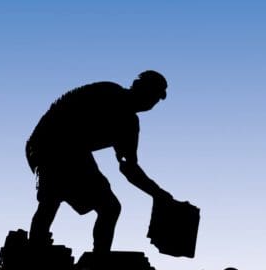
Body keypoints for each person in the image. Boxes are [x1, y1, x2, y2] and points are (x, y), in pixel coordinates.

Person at [26, 70, 177, 253]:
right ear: (139, 88)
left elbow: (129, 167)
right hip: (48, 144)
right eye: (152, 95)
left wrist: (157, 194)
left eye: (156, 99)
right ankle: (36, 249)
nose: (152, 102)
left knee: (109, 207)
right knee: (53, 197)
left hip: (73, 151)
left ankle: (99, 260)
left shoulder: (129, 125)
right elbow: (65, 114)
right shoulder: (108, 92)